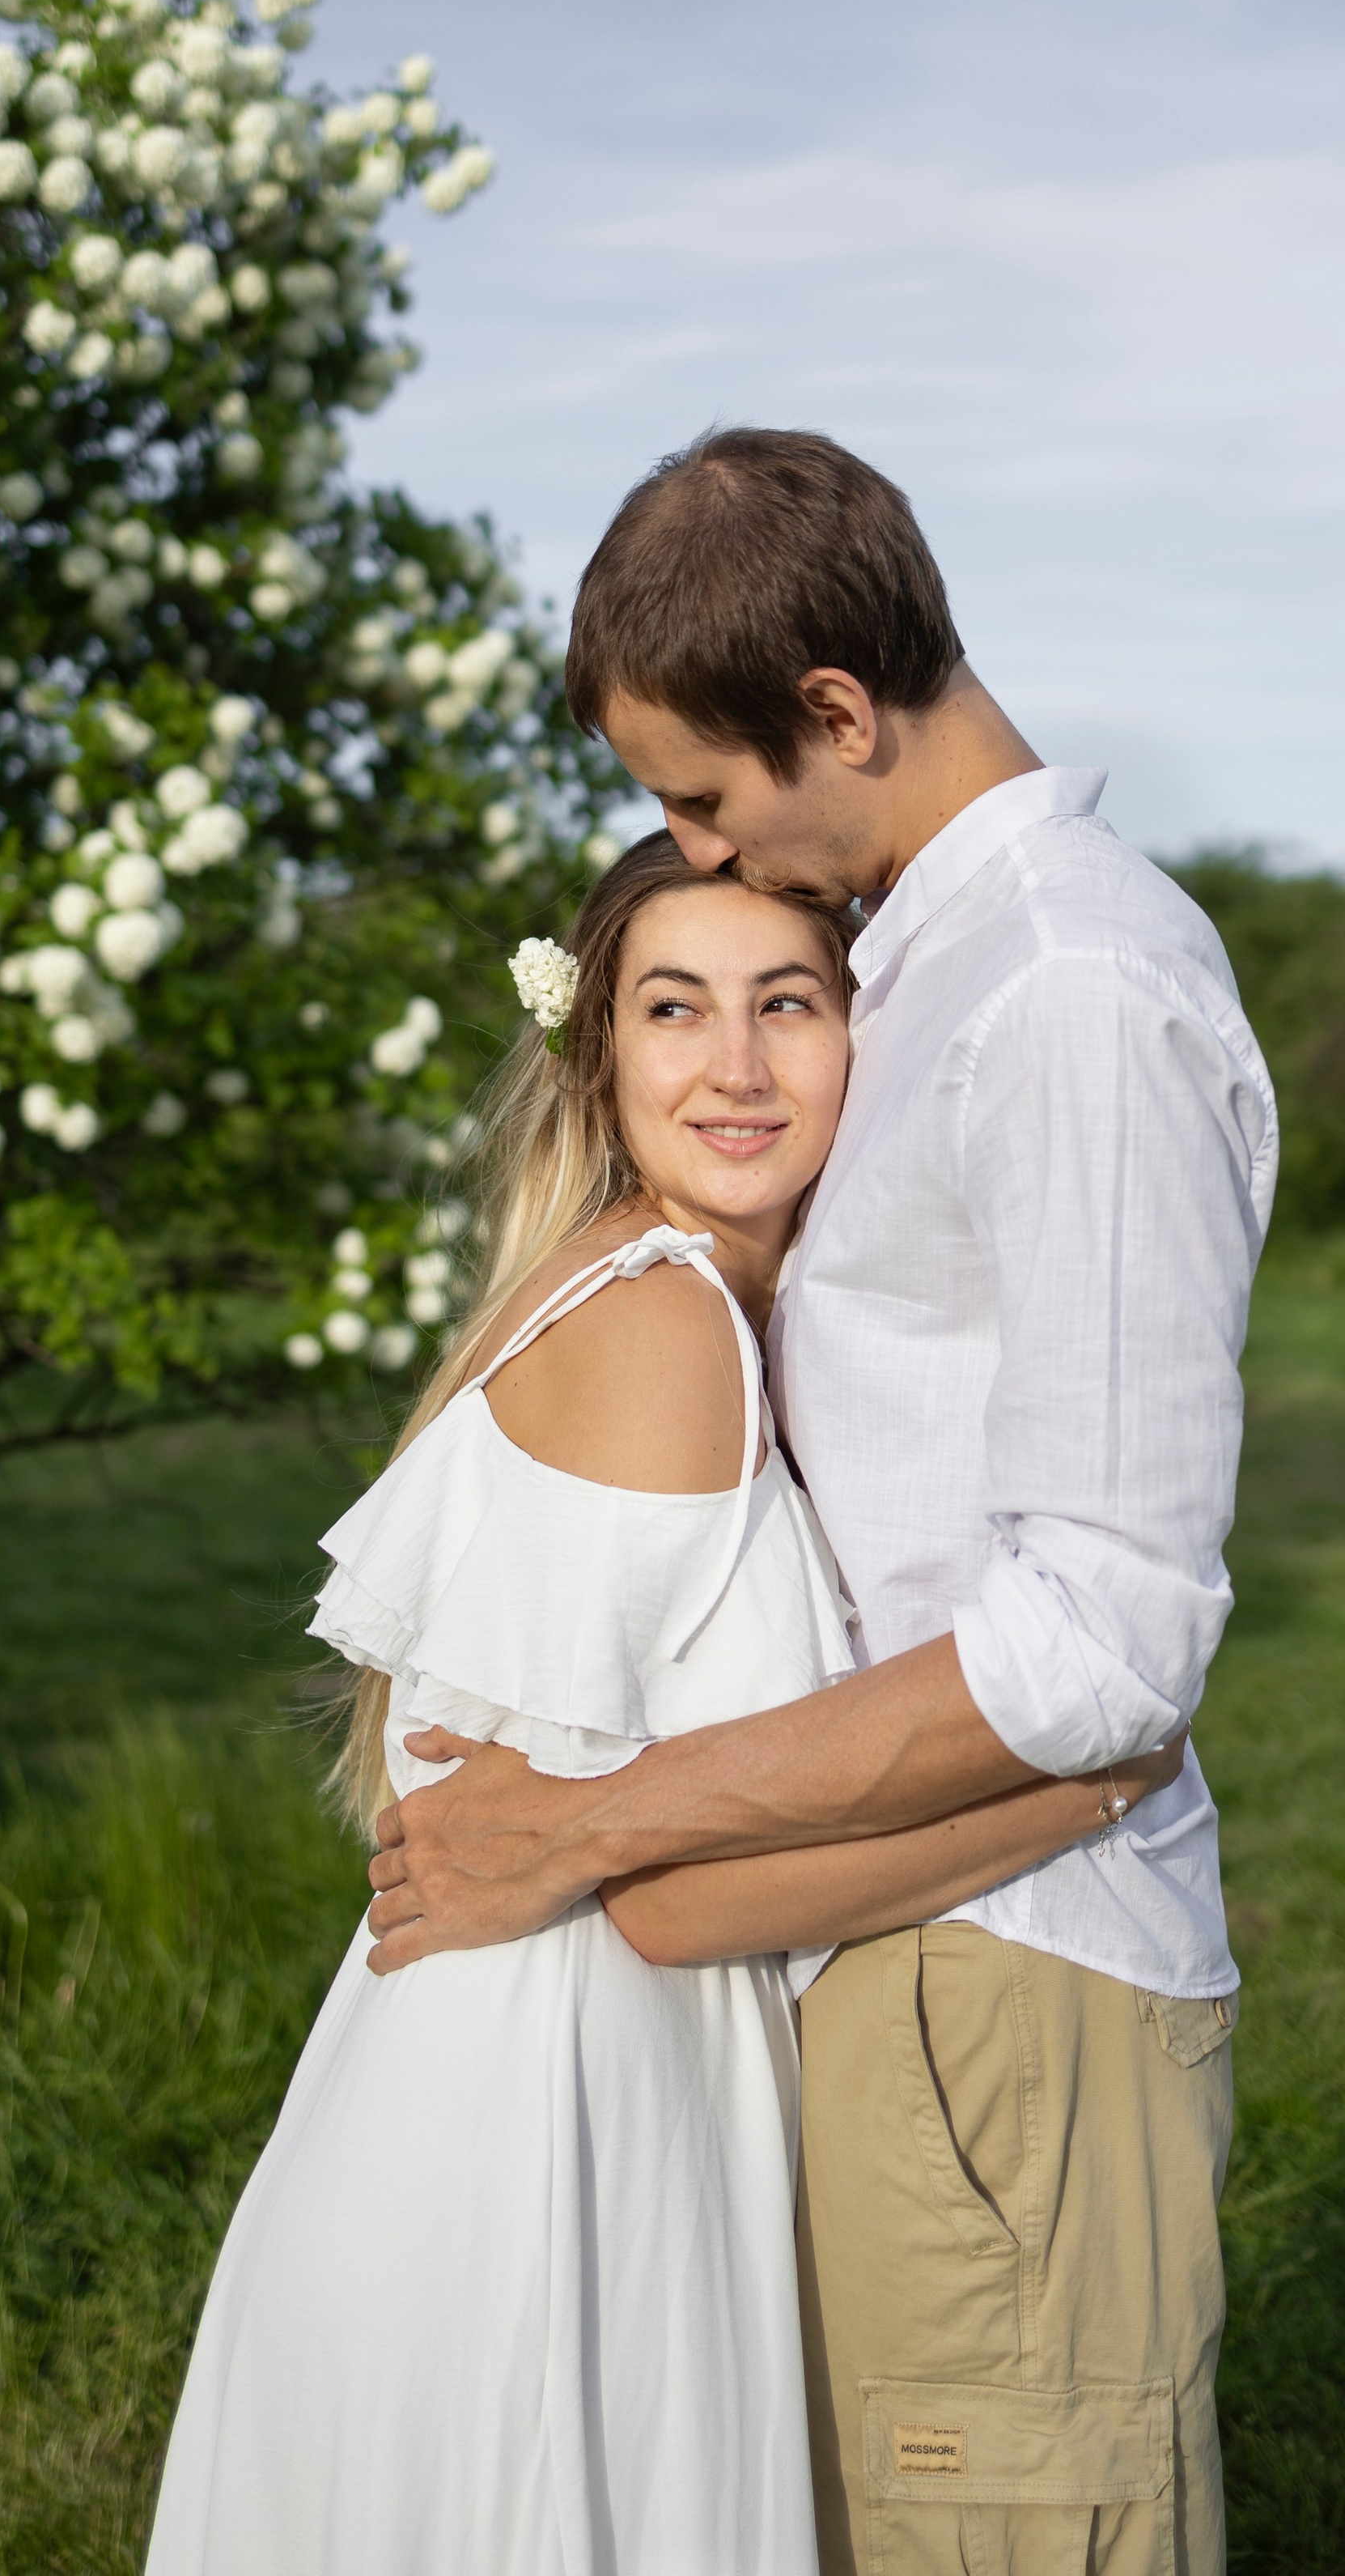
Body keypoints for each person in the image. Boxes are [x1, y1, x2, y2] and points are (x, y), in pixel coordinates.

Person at [366, 430, 1279, 2576]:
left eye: (705, 796)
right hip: (889, 1942)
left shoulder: (1064, 986)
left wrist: (602, 1825)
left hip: (1001, 1993)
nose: (697, 844)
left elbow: (1103, 1644)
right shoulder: (950, 959)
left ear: (839, 716)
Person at [146, 829, 1186, 2576]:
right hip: (542, 2149)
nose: (735, 1067)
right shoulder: (663, 1335)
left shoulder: (655, 1285)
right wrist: (1068, 1786)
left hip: (520, 2094)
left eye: (788, 1003)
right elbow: (663, 1897)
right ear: (598, 1053)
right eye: (673, 1010)